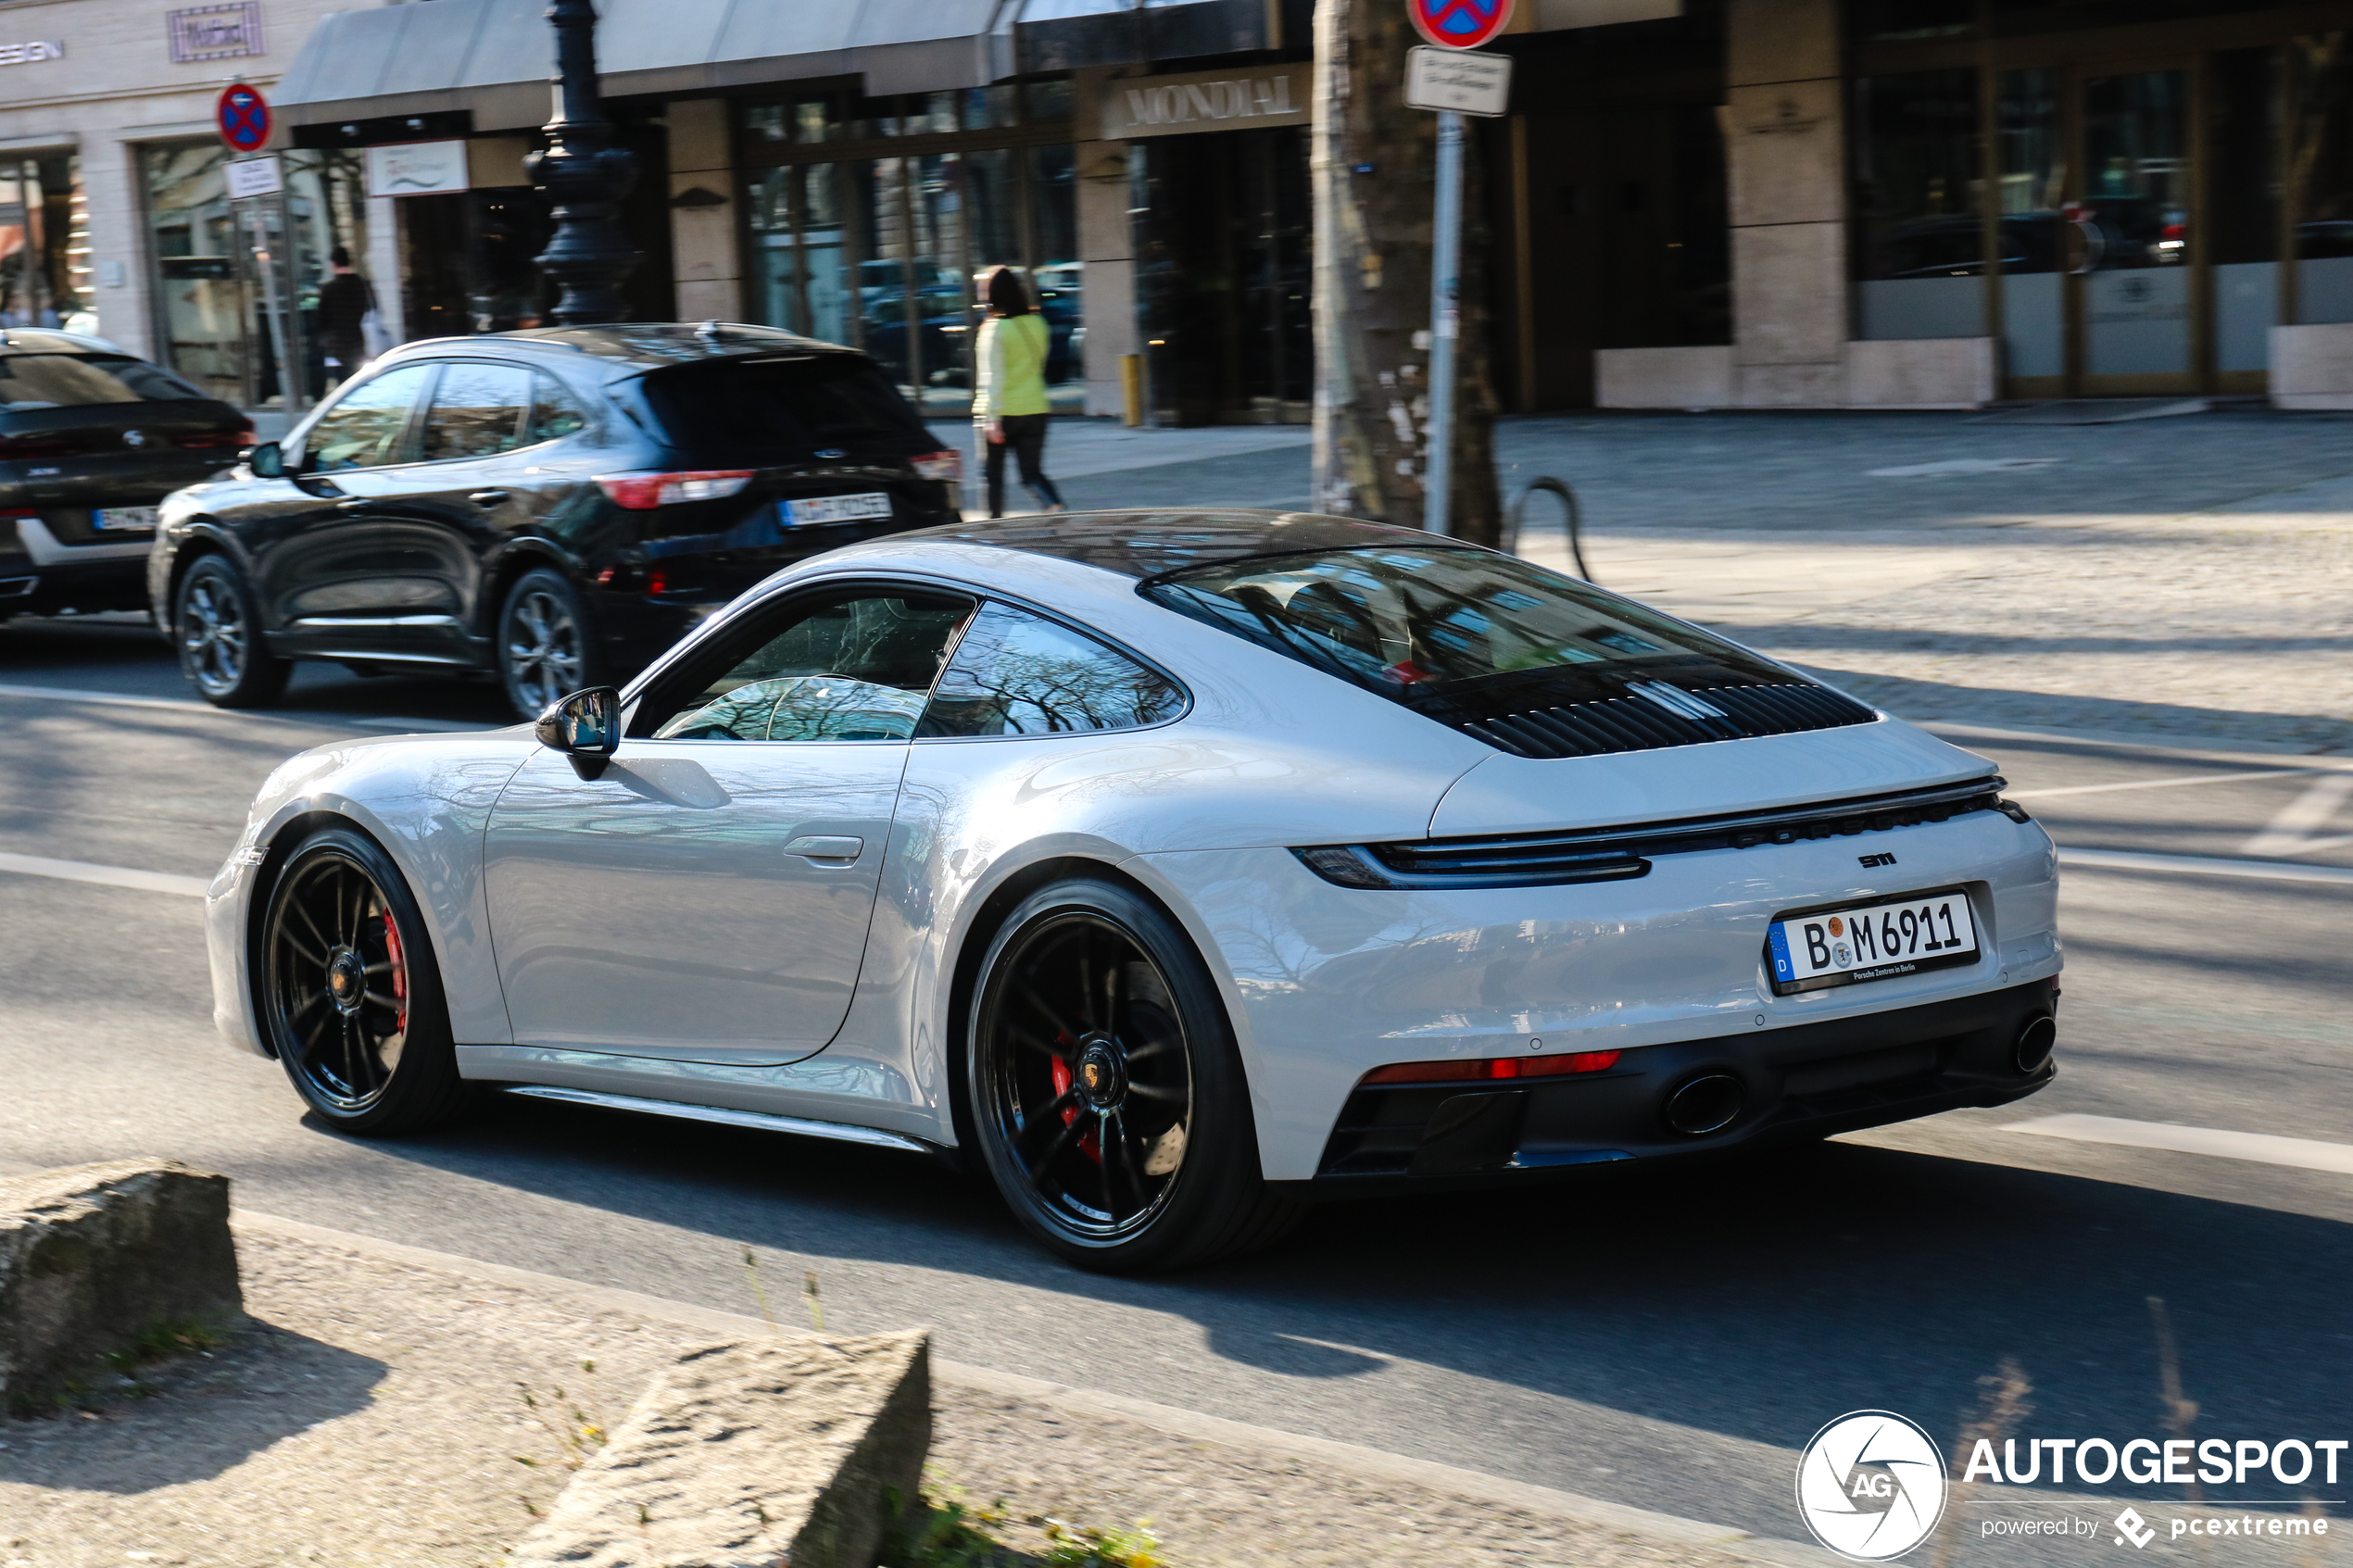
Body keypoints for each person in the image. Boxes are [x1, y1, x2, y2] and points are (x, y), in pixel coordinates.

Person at [973, 267, 1064, 518]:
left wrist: (991, 419)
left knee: (993, 477)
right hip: (1035, 408)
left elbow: (991, 377)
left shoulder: (993, 329)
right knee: (1031, 473)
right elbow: (1040, 361)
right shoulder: (1038, 323)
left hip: (1001, 413)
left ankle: (993, 530)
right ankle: (1055, 508)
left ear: (992, 293)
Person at [313, 246, 375, 391]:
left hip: (337, 351)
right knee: (359, 388)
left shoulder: (329, 289)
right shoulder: (363, 285)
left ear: (333, 264)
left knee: (343, 391)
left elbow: (321, 321)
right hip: (358, 346)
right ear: (350, 262)